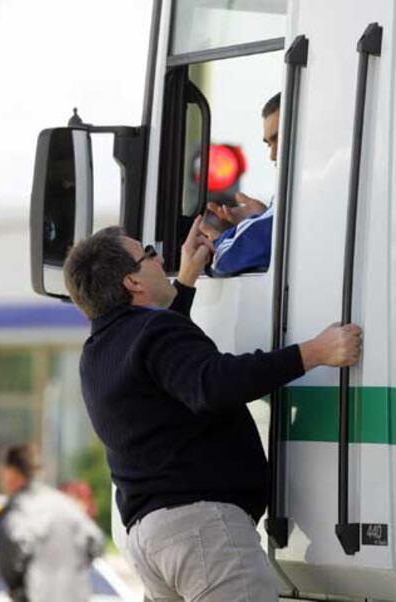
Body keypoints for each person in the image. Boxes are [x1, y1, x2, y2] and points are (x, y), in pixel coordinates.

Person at [62, 217, 361, 602]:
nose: (160, 258)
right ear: (132, 283)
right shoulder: (153, 335)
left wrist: (185, 283)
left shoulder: (99, 350)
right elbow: (212, 383)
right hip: (200, 532)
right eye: (149, 254)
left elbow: (169, 362)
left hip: (150, 541)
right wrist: (313, 352)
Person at [0, 444, 104, 602]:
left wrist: (19, 589)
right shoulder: (66, 504)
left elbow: (10, 560)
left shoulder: (16, 511)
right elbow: (96, 543)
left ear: (12, 473)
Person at [204, 92, 280, 276]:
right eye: (269, 144)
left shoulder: (302, 193)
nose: (273, 155)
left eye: (278, 138)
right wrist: (260, 217)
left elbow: (226, 258)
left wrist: (219, 242)